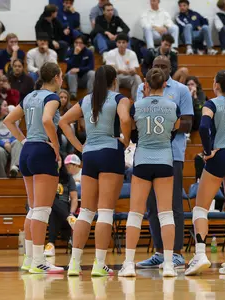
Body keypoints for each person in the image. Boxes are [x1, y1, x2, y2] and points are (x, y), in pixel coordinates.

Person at [59, 65, 132, 276]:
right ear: (114, 80)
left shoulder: (86, 100)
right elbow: (125, 119)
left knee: (87, 211)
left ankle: (74, 263)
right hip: (111, 152)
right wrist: (125, 141)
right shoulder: (119, 99)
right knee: (106, 211)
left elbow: (63, 121)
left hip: (89, 154)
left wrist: (79, 146)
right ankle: (99, 264)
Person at [184, 70, 225, 276]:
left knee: (200, 208)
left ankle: (200, 254)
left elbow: (203, 127)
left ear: (216, 85)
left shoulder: (211, 104)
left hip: (218, 156)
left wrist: (207, 151)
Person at [3, 62, 66, 274]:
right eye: (61, 77)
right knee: (42, 209)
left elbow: (9, 120)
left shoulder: (30, 96)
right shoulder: (52, 97)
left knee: (33, 208)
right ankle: (39, 260)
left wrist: (23, 140)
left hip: (27, 151)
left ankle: (30, 259)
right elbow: (47, 120)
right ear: (57, 77)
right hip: (42, 151)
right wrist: (56, 145)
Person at [119, 68, 180, 278]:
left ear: (146, 84)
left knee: (135, 213)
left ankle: (128, 264)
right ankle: (170, 263)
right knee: (166, 213)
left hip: (143, 160)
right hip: (165, 160)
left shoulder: (137, 106)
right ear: (165, 84)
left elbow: (132, 130)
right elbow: (176, 128)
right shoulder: (173, 106)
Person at [135, 56, 193, 270]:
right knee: (151, 206)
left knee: (173, 205)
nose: (159, 68)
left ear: (171, 69)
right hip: (145, 153)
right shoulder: (142, 89)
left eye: (163, 66)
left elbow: (188, 122)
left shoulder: (181, 91)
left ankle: (176, 253)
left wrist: (164, 130)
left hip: (172, 154)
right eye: (156, 66)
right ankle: (159, 252)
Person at [44, 158, 79, 257]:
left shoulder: (67, 177)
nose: (56, 162)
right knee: (51, 200)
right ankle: (70, 219)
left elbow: (74, 198)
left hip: (64, 206)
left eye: (58, 160)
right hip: (47, 207)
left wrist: (72, 212)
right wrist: (69, 215)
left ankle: (50, 244)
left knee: (54, 209)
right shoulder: (45, 177)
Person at [105, 33, 142, 101]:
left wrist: (132, 71)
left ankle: (138, 101)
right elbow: (110, 70)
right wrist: (122, 71)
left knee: (137, 77)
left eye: (123, 42)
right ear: (116, 44)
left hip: (128, 77)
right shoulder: (111, 53)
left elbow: (135, 70)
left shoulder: (132, 53)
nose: (121, 44)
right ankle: (115, 101)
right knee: (113, 77)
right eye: (119, 42)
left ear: (127, 44)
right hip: (116, 76)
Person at [64, 35, 95, 100]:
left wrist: (79, 69)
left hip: (83, 78)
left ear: (84, 44)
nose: (78, 45)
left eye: (80, 43)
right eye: (76, 42)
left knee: (92, 73)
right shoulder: (70, 52)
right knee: (71, 72)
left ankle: (90, 95)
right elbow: (69, 66)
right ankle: (73, 94)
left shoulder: (89, 52)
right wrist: (75, 54)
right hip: (70, 78)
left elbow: (91, 66)